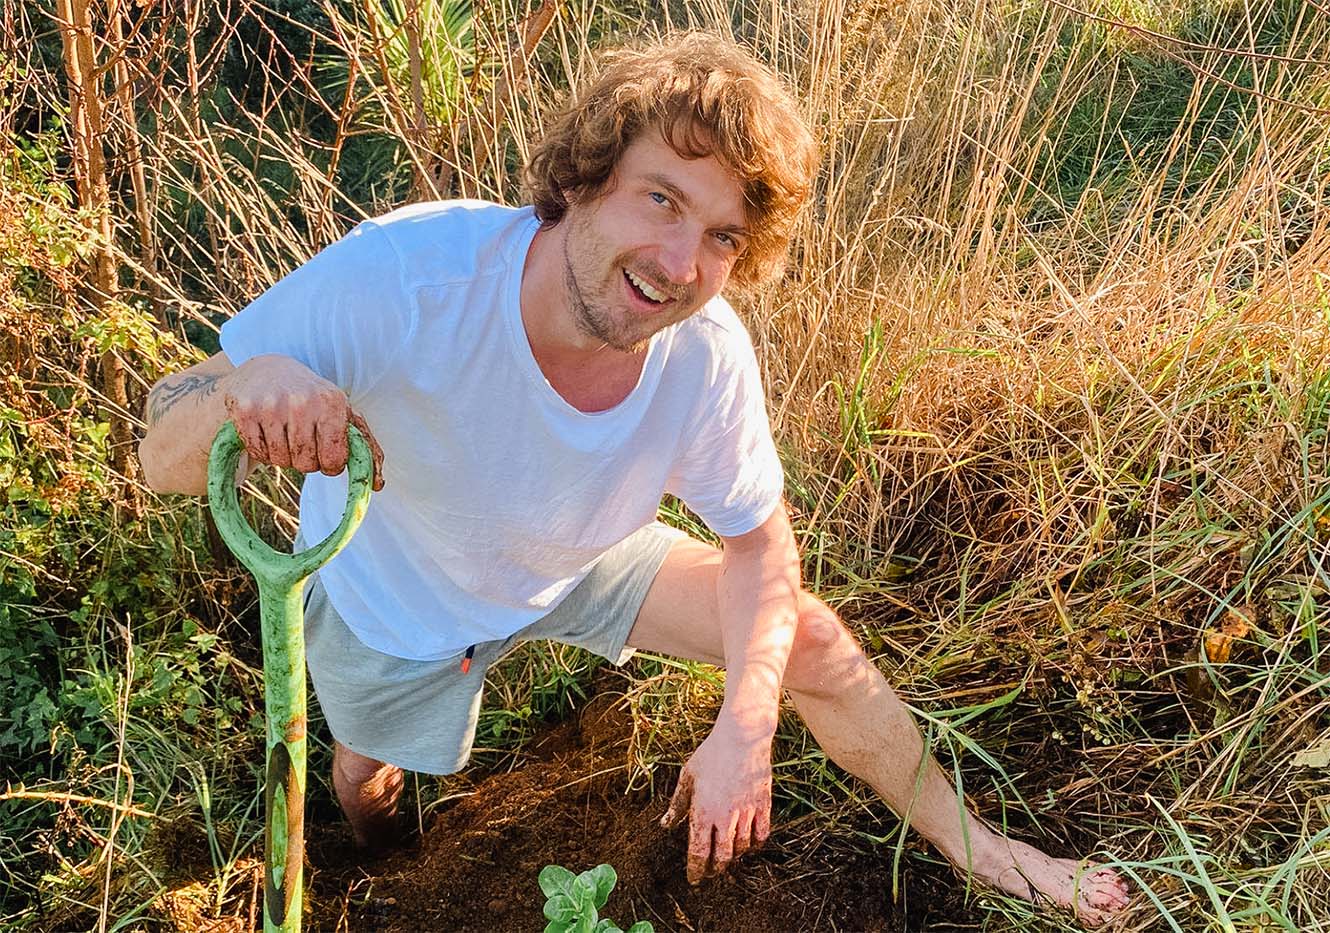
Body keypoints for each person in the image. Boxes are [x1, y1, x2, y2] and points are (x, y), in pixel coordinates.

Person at [138, 31, 1130, 927]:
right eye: (661, 198)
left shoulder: (703, 353)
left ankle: (993, 856)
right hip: (396, 596)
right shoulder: (405, 278)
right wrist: (251, 389)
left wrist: (745, 727)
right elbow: (160, 450)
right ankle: (381, 866)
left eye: (720, 236)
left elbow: (760, 543)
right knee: (371, 778)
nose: (677, 261)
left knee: (811, 645)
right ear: (584, 177)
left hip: (579, 557)